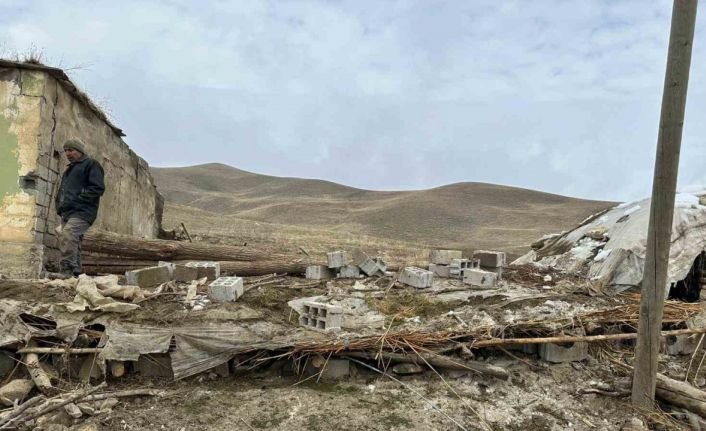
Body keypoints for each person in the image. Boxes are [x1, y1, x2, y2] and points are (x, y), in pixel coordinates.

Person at [55, 139, 105, 277]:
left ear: (80, 151)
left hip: (83, 211)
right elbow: (63, 191)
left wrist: (78, 201)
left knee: (69, 234)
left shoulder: (91, 164)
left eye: (71, 150)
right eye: (65, 151)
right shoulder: (69, 169)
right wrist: (59, 206)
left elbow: (97, 188)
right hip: (68, 211)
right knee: (73, 240)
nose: (68, 153)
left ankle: (66, 270)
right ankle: (76, 271)